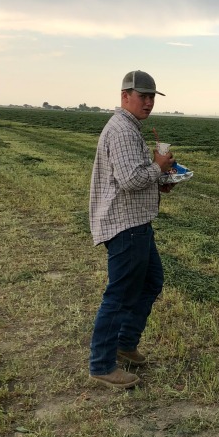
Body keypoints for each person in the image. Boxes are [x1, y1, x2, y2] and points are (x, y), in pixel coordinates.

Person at [88, 70, 175, 388]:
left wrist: (162, 178)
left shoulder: (128, 128)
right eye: (143, 96)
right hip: (125, 225)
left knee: (151, 281)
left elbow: (136, 176)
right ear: (125, 96)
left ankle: (125, 343)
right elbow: (130, 180)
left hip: (137, 222)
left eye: (152, 97)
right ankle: (101, 364)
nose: (149, 102)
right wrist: (158, 167)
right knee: (120, 294)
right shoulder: (123, 131)